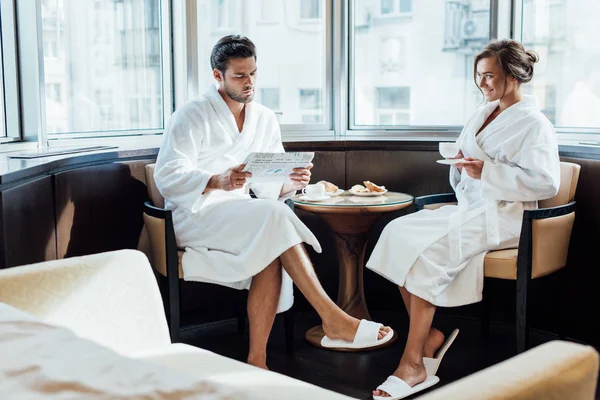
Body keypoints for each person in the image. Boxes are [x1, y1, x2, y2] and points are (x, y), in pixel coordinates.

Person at [154, 35, 392, 369]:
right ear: (217, 76)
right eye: (239, 75)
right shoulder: (190, 116)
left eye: (253, 73)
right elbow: (166, 175)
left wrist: (290, 181)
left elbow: (268, 180)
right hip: (195, 214)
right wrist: (215, 180)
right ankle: (332, 317)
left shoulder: (263, 117)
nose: (249, 82)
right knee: (271, 219)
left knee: (270, 238)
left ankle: (258, 360)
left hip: (241, 213)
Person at [367, 39, 561, 399]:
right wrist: (463, 166)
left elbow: (546, 181)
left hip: (507, 215)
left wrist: (485, 171)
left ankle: (413, 363)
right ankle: (431, 336)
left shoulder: (534, 124)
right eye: (479, 76)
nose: (483, 83)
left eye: (490, 76)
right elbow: (468, 165)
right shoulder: (483, 112)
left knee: (428, 252)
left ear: (514, 75)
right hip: (472, 206)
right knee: (398, 232)